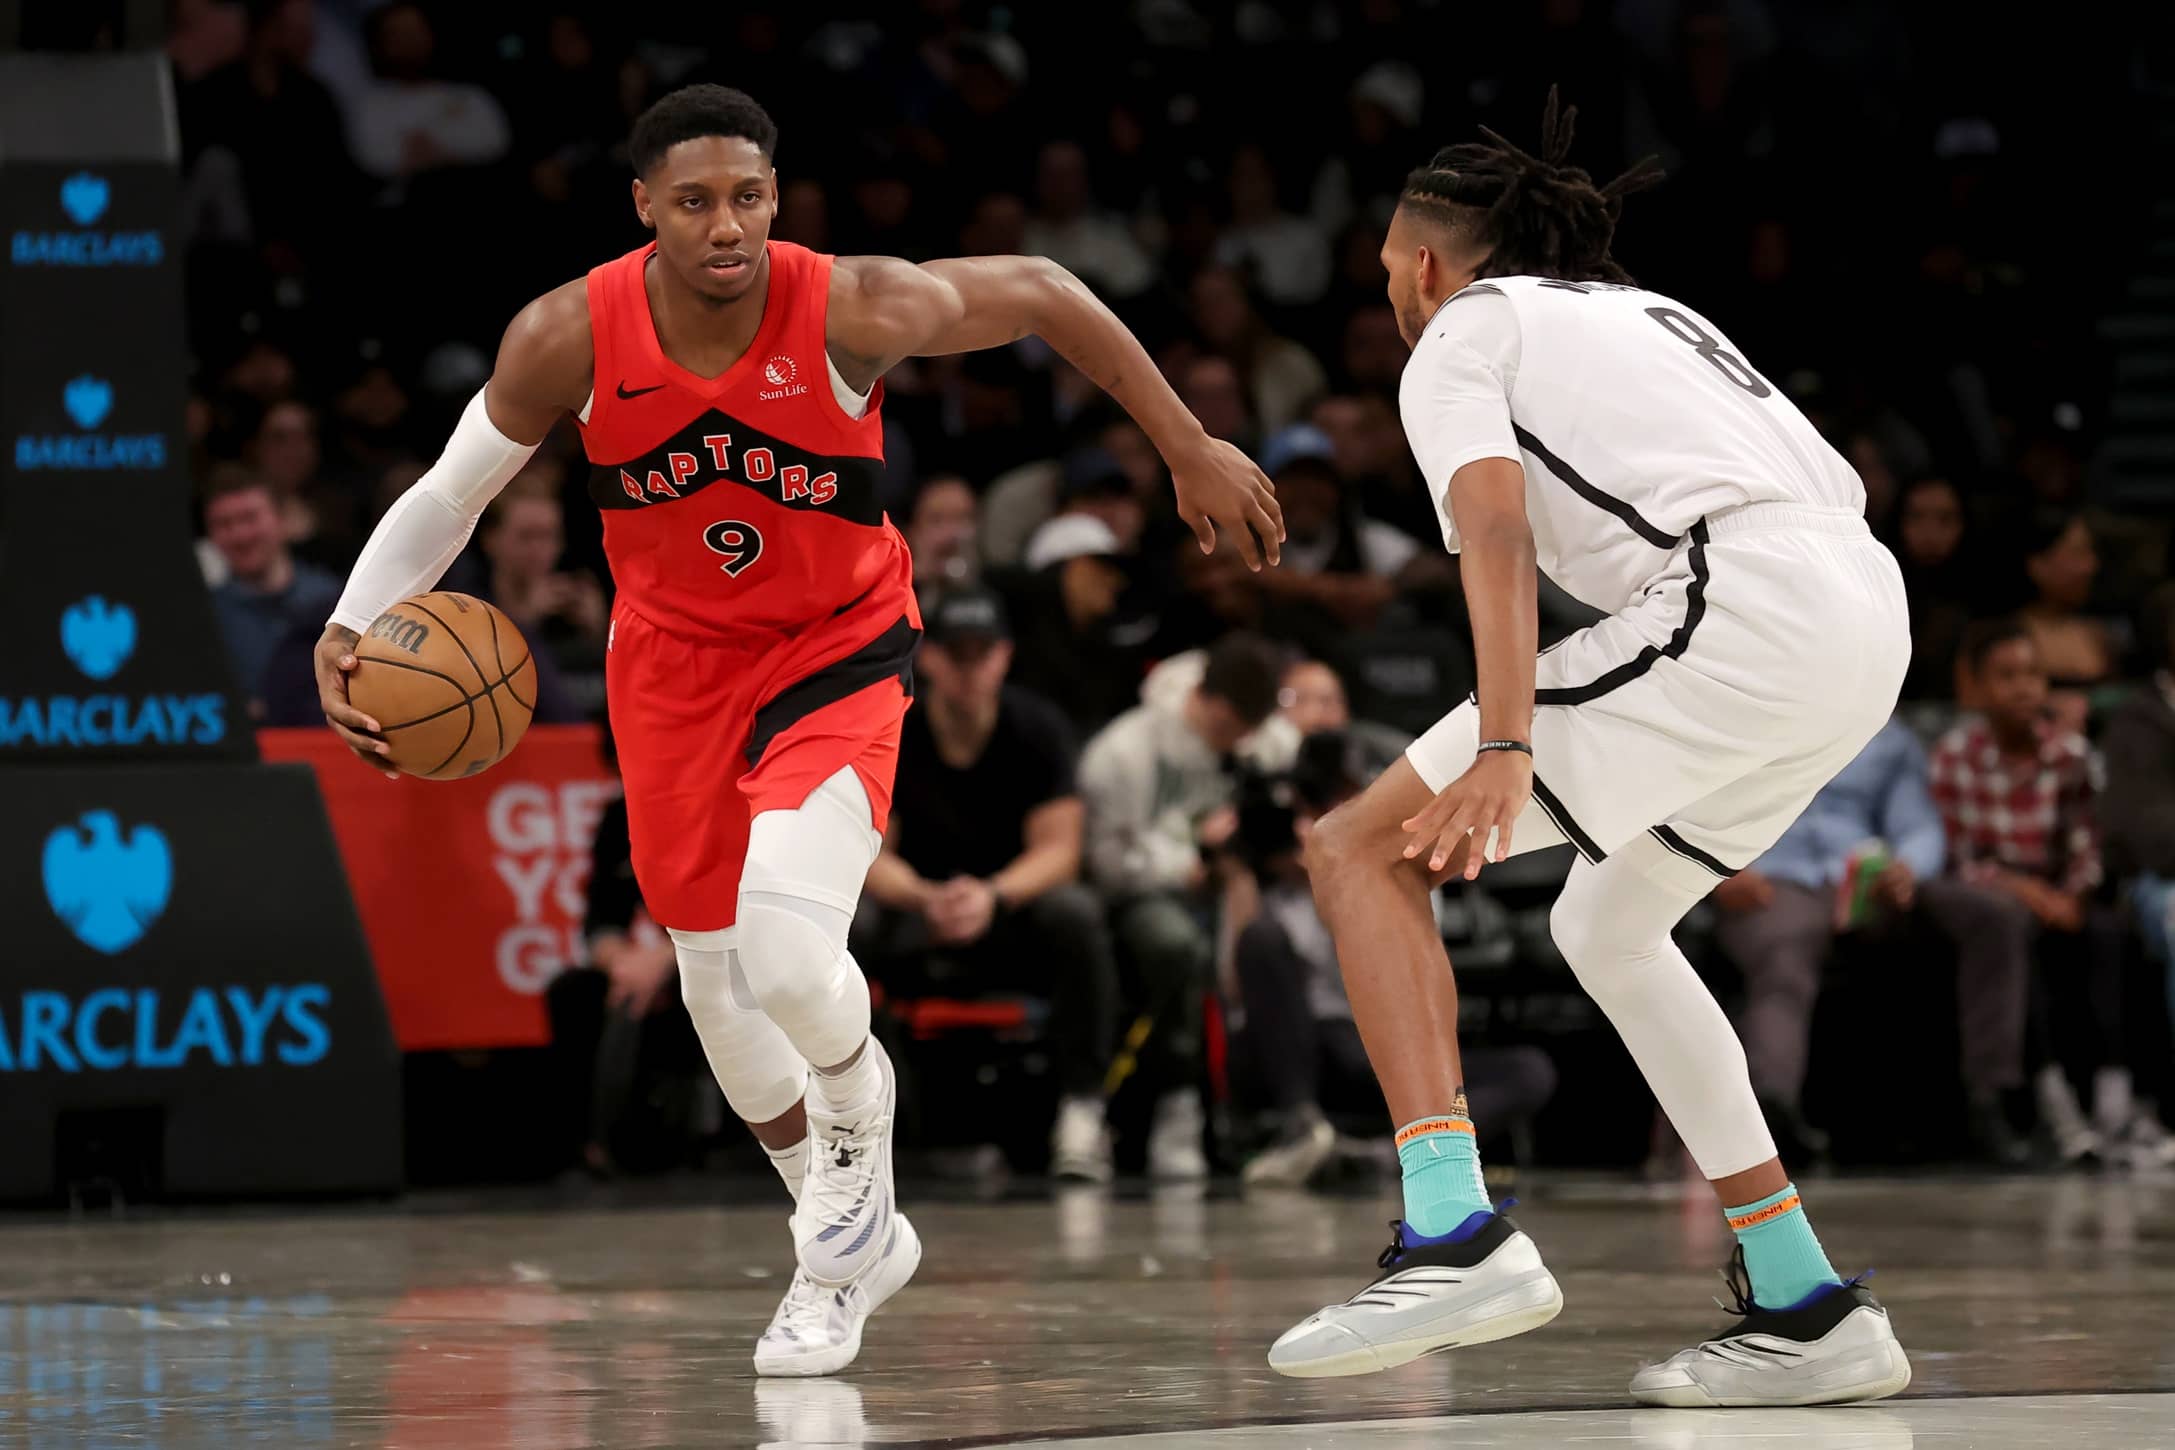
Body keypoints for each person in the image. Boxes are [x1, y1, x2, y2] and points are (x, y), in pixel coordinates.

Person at [310, 85, 1282, 1378]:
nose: (728, 225)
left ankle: (849, 1152)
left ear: (777, 196)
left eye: (750, 196)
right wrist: (352, 617)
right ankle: (846, 1231)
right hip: (668, 669)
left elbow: (1047, 287)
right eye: (698, 200)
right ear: (644, 206)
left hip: (834, 647)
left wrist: (1185, 440)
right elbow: (449, 493)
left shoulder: (850, 306)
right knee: (715, 988)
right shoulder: (568, 334)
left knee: (783, 944)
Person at [1269, 93, 1914, 1406]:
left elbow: (1493, 533)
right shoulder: (1646, 313)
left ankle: (1451, 1226)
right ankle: (1803, 1302)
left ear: (1428, 262)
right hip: (1863, 617)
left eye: (1388, 270)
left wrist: (1505, 738)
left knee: (1353, 848)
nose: (1390, 294)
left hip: (1738, 606)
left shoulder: (1455, 337)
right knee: (1609, 925)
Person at [856, 586, 1122, 1181]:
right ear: (929, 658)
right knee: (848, 926)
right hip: (919, 913)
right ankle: (858, 1124)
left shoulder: (1038, 729)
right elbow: (870, 852)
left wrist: (993, 896)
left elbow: (1060, 850)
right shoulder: (895, 731)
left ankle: (1082, 1110)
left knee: (1076, 914)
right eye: (956, 653)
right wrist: (926, 897)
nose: (969, 668)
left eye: (982, 653)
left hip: (1009, 913)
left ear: (1004, 656)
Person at [1708, 717, 2032, 1167]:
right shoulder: (1739, 711)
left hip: (1864, 875)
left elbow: (1918, 824)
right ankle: (1769, 1118)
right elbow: (1685, 805)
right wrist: (1712, 870)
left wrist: (1907, 867)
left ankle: (1990, 1100)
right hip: (1771, 876)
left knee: (1991, 916)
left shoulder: (1886, 734)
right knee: (1785, 954)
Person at [1929, 621, 2157, 1166]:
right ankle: (2054, 1109)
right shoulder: (1957, 757)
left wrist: (2073, 896)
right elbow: (1960, 857)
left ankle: (2114, 1103)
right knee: (2012, 932)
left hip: (2059, 898)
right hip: (2004, 896)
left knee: (2108, 935)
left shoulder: (2070, 754)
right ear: (1978, 688)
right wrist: (2030, 893)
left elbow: (2087, 844)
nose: (2024, 689)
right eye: (2007, 677)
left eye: (2033, 675)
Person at [1077, 631, 1287, 1181]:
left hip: (1238, 886)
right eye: (1225, 728)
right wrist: (1190, 861)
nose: (1233, 742)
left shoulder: (1267, 744)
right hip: (1148, 893)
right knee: (1175, 944)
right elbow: (1107, 862)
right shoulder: (1124, 752)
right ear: (1203, 697)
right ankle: (1178, 1104)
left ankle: (1277, 1112)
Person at [204, 465, 343, 716]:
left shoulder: (336, 601)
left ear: (281, 520)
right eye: (224, 523)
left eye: (250, 518)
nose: (240, 535)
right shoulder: (203, 618)